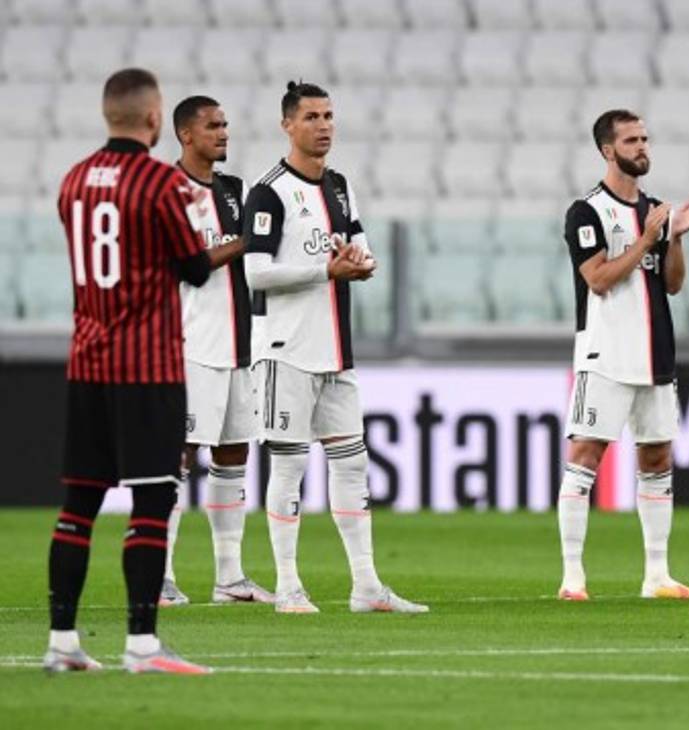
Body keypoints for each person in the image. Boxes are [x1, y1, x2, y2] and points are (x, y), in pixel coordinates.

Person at [45, 68, 228, 674]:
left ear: (108, 114)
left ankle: (62, 642)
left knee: (78, 505)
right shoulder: (161, 183)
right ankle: (142, 645)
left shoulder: (73, 181)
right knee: (152, 500)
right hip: (146, 367)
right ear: (154, 118)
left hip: (87, 362)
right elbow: (194, 269)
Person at [243, 81, 427, 615]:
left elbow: (360, 249)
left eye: (328, 116)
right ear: (287, 125)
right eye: (312, 117)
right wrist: (325, 270)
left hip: (335, 351)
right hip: (285, 350)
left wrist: (361, 263)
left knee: (352, 464)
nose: (323, 126)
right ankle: (288, 587)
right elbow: (255, 273)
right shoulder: (269, 192)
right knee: (289, 467)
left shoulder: (339, 186)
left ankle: (366, 587)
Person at [557, 109, 689, 601]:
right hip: (606, 351)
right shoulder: (586, 211)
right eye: (631, 140)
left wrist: (675, 239)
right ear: (608, 150)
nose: (642, 146)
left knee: (658, 455)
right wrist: (645, 239)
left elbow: (673, 284)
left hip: (655, 350)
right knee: (586, 455)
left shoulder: (656, 210)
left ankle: (657, 576)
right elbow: (598, 279)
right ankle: (572, 577)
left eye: (645, 138)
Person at [158, 95, 273, 607]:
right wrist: (245, 240)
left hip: (238, 347)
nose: (224, 133)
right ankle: (160, 576)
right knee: (178, 458)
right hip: (189, 345)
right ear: (186, 134)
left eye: (225, 124)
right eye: (212, 126)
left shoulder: (234, 190)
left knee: (233, 455)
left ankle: (229, 577)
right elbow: (186, 266)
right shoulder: (166, 191)